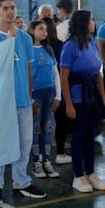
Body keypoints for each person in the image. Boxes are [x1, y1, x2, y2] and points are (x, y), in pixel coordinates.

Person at [0, 0, 46, 204]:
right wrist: (9, 39)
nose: (10, 11)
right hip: (0, 103)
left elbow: (27, 68)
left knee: (24, 144)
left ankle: (21, 182)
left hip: (23, 102)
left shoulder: (25, 38)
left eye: (13, 8)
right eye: (5, 8)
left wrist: (30, 96)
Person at [60, 10, 105, 193]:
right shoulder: (70, 47)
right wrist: (69, 104)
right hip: (78, 99)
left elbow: (98, 74)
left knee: (91, 135)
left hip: (93, 98)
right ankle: (78, 176)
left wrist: (103, 98)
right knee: (78, 137)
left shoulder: (93, 44)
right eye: (91, 20)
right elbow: (64, 78)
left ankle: (91, 173)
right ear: (84, 23)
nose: (94, 23)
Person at [28, 20, 61, 178]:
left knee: (47, 127)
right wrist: (31, 99)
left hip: (49, 93)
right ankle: (36, 162)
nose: (44, 32)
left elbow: (56, 73)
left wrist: (58, 96)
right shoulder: (28, 51)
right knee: (36, 128)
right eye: (40, 29)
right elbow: (25, 76)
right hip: (36, 94)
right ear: (32, 31)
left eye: (46, 30)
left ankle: (47, 160)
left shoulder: (49, 50)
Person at [41, 17, 72, 164]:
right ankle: (57, 152)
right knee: (56, 122)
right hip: (55, 88)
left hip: (50, 88)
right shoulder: (59, 46)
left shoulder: (48, 47)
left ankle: (44, 155)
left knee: (45, 123)